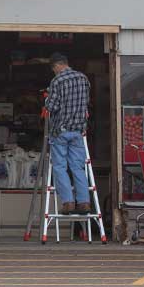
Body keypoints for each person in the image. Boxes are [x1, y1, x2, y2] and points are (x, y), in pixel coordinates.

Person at [45, 53, 91, 215]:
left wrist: (46, 97)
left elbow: (52, 107)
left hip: (61, 131)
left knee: (59, 167)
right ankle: (84, 202)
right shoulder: (83, 78)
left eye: (53, 69)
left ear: (56, 66)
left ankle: (68, 202)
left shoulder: (57, 80)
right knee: (78, 167)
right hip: (78, 131)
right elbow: (85, 104)